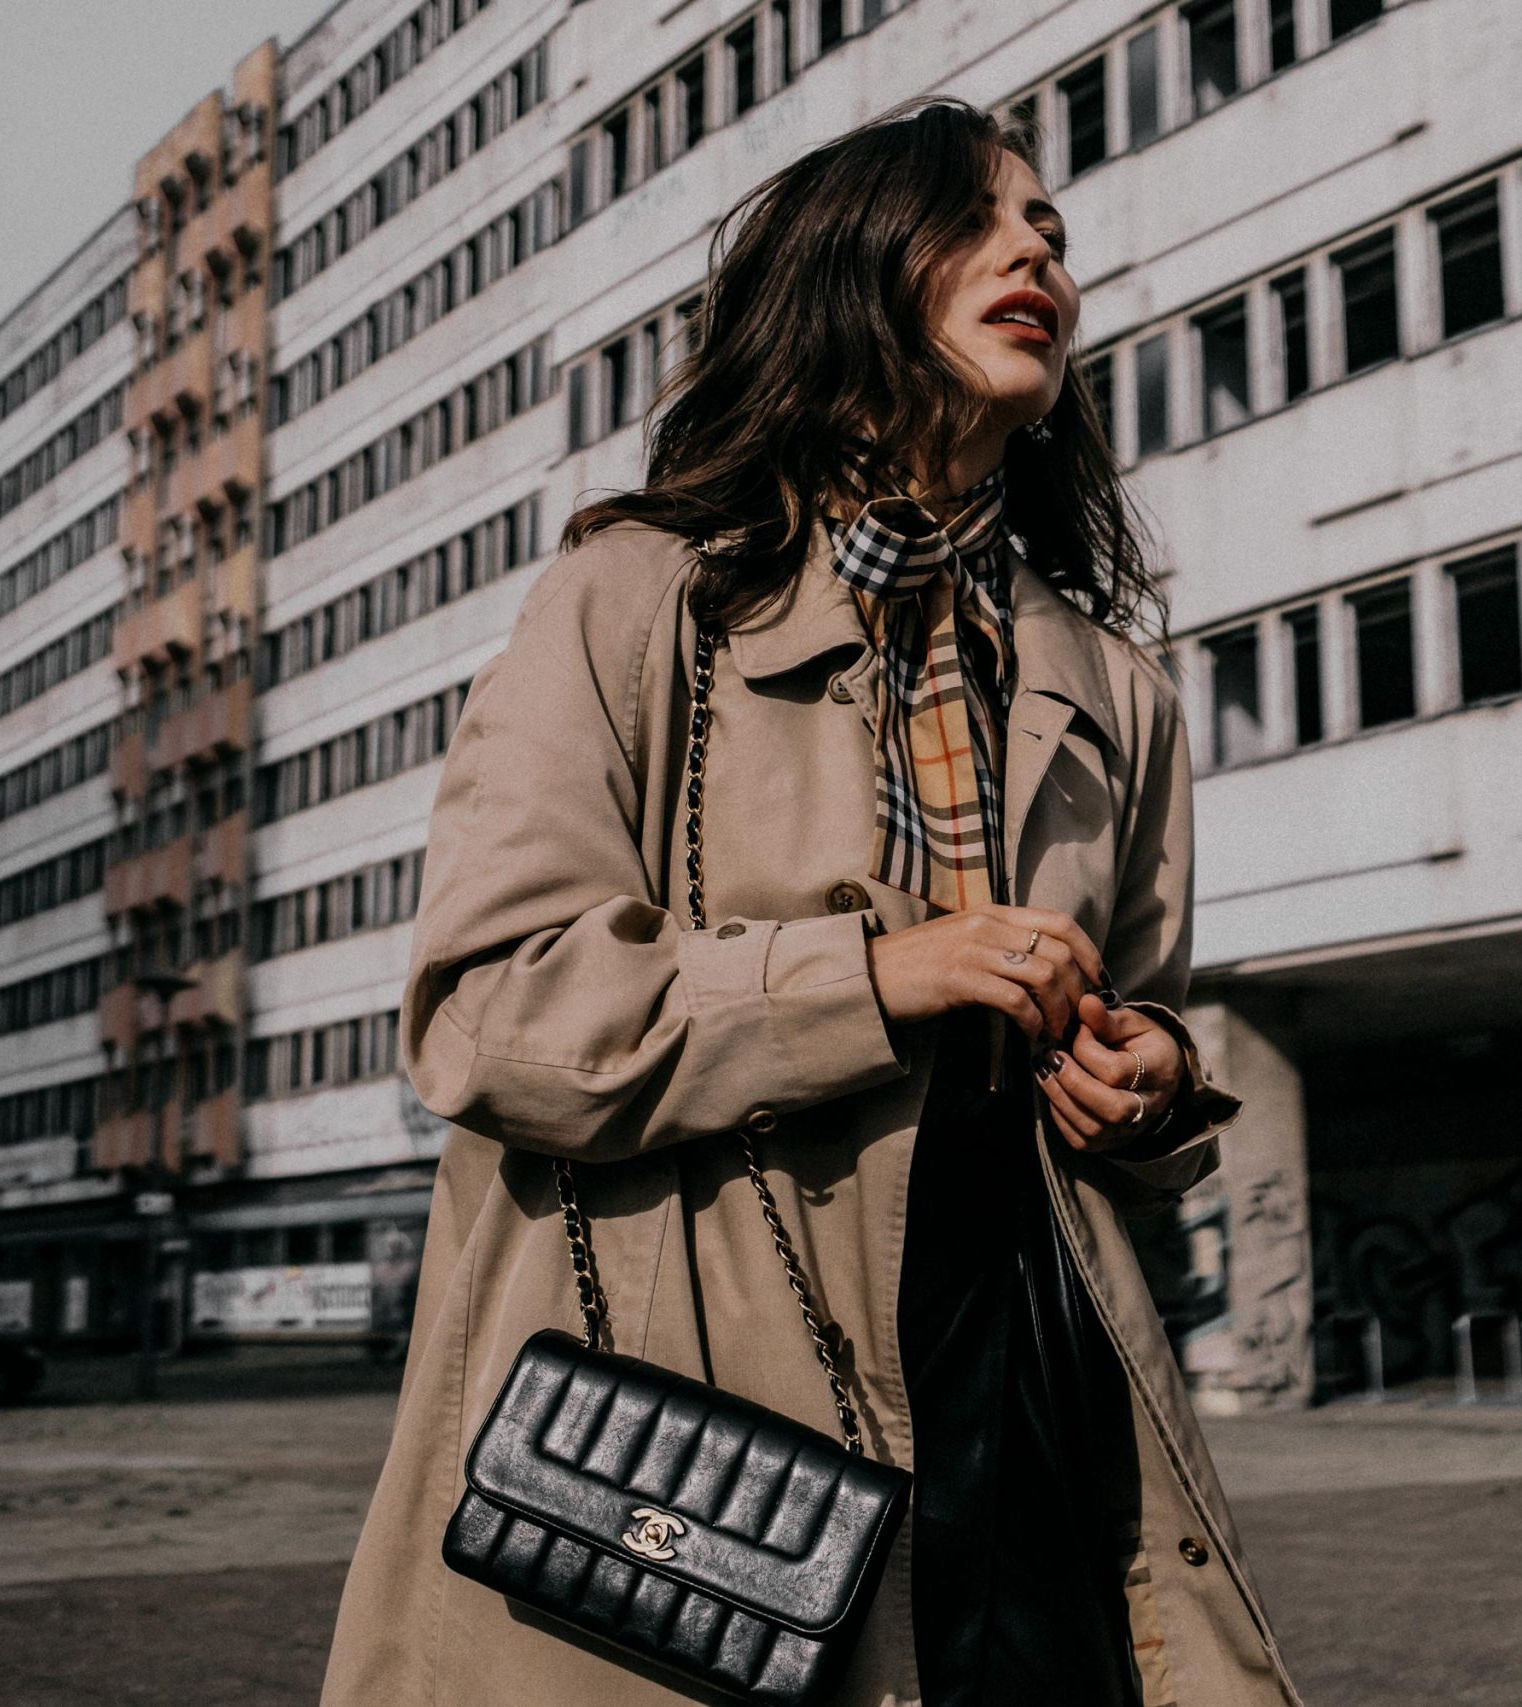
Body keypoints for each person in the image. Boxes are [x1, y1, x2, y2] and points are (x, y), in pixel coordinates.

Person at [318, 95, 1303, 1707]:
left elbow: (1150, 1014)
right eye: (980, 218)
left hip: (1034, 1405)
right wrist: (874, 977)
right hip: (708, 1423)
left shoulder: (1110, 688)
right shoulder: (636, 601)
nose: (1038, 246)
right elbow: (492, 1012)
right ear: (844, 274)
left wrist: (1146, 1086)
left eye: (1053, 226)